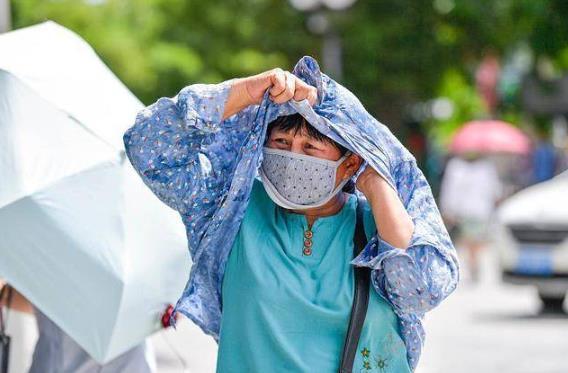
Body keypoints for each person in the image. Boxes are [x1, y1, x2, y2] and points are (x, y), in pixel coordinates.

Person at [123, 56, 459, 372]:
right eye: (281, 143)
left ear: (350, 163)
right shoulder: (229, 209)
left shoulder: (375, 224)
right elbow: (148, 145)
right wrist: (244, 91)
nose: (293, 157)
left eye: (310, 148)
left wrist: (376, 181)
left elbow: (421, 290)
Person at [439, 153, 502, 283]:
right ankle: (474, 263)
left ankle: (473, 262)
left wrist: (448, 208)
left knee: (472, 239)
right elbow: (495, 191)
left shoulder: (461, 168)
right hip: (474, 210)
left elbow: (450, 190)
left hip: (474, 210)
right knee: (472, 239)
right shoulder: (462, 168)